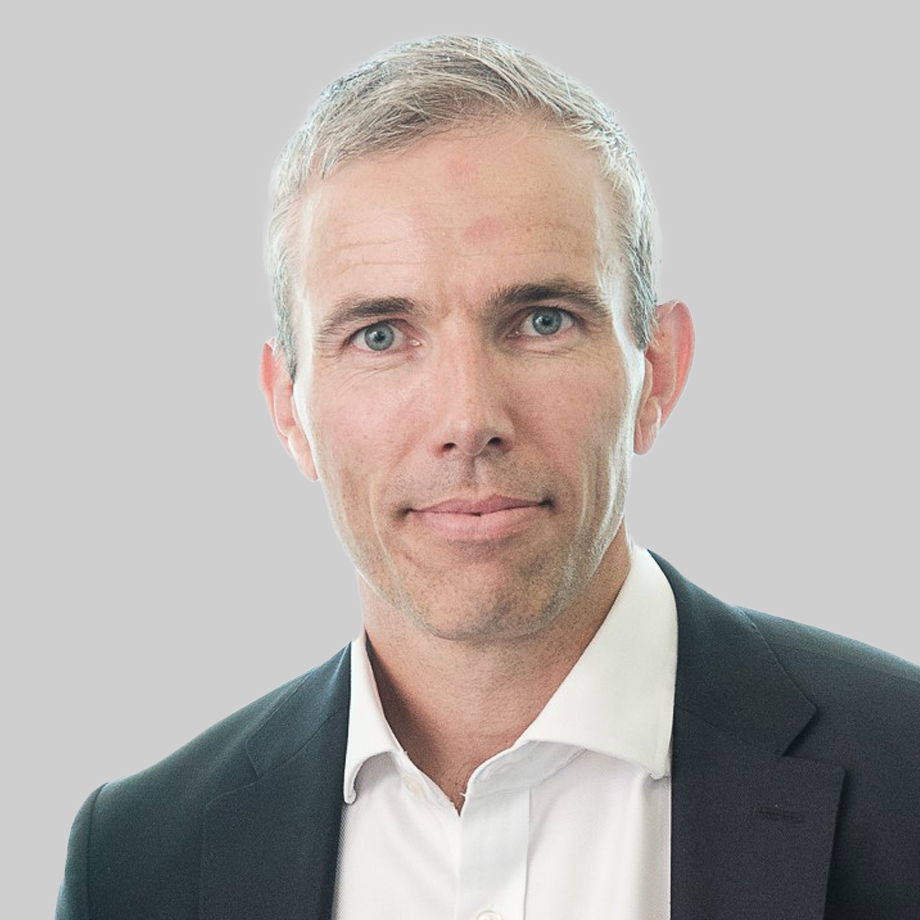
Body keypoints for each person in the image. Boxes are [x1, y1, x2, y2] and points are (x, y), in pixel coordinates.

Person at [57, 35, 919, 920]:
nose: (469, 418)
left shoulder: (907, 774)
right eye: (380, 336)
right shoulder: (135, 863)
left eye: (542, 320)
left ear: (657, 371)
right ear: (288, 408)